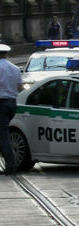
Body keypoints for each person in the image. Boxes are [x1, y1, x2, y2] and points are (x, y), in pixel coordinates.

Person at [0, 44, 23, 175]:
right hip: (12, 104)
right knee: (3, 133)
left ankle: (10, 165)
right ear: (6, 54)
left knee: (3, 135)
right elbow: (20, 88)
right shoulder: (15, 68)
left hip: (1, 105)